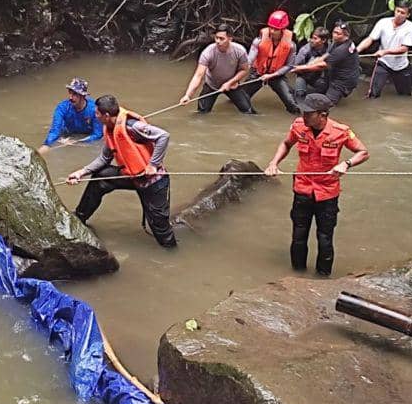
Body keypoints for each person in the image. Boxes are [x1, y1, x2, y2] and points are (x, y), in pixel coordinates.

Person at [264, 93, 369, 276]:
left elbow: (363, 152)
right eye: (303, 112)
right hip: (302, 189)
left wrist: (346, 164)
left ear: (322, 115)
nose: (303, 116)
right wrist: (274, 163)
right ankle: (297, 275)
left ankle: (322, 277)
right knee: (298, 236)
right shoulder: (298, 127)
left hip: (327, 193)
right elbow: (286, 143)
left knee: (325, 238)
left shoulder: (340, 131)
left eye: (308, 113)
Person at [66, 94, 177, 248]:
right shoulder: (111, 129)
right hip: (132, 176)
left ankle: (171, 251)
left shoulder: (133, 127)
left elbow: (163, 136)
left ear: (106, 115)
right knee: (101, 178)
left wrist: (153, 164)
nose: (95, 116)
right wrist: (81, 172)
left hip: (153, 181)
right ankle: (79, 217)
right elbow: (104, 158)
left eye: (97, 113)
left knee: (160, 230)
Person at [179, 24, 253, 113]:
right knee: (202, 114)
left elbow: (244, 69)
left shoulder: (239, 51)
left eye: (222, 39)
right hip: (212, 85)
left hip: (232, 84)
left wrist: (230, 83)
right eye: (216, 38)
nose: (218, 41)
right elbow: (198, 76)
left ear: (230, 39)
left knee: (248, 111)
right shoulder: (208, 52)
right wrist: (188, 95)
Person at [357, 2, 412, 98]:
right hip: (383, 62)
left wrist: (385, 52)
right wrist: (356, 50)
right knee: (373, 94)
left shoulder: (411, 27)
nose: (399, 15)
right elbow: (370, 39)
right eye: (397, 11)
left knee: (405, 96)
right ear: (394, 10)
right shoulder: (383, 22)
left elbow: (404, 48)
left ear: (408, 15)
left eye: (402, 13)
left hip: (400, 65)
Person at [245, 10, 299, 114]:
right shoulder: (259, 41)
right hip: (258, 73)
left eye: (276, 29)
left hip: (277, 75)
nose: (272, 31)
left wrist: (272, 75)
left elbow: (289, 65)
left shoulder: (291, 45)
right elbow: (250, 59)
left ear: (283, 29)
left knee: (292, 104)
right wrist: (245, 67)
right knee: (240, 99)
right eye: (271, 28)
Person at [297, 21, 360, 106]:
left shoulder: (342, 49)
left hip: (342, 82)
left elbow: (322, 66)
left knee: (326, 106)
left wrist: (299, 68)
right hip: (333, 75)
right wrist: (307, 65)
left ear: (346, 36)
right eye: (334, 32)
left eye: (338, 34)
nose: (334, 35)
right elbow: (325, 56)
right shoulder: (335, 42)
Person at [37, 77, 103, 154]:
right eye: (70, 93)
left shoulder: (94, 110)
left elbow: (97, 134)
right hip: (68, 133)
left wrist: (77, 142)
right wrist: (47, 144)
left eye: (75, 94)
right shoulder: (62, 108)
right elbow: (55, 131)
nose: (70, 97)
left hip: (86, 135)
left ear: (83, 96)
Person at [291, 27, 329, 100]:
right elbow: (294, 68)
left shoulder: (329, 49)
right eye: (311, 38)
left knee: (326, 97)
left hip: (320, 77)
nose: (311, 40)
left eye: (315, 39)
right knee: (299, 96)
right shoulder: (305, 50)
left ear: (323, 40)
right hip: (304, 75)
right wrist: (309, 67)